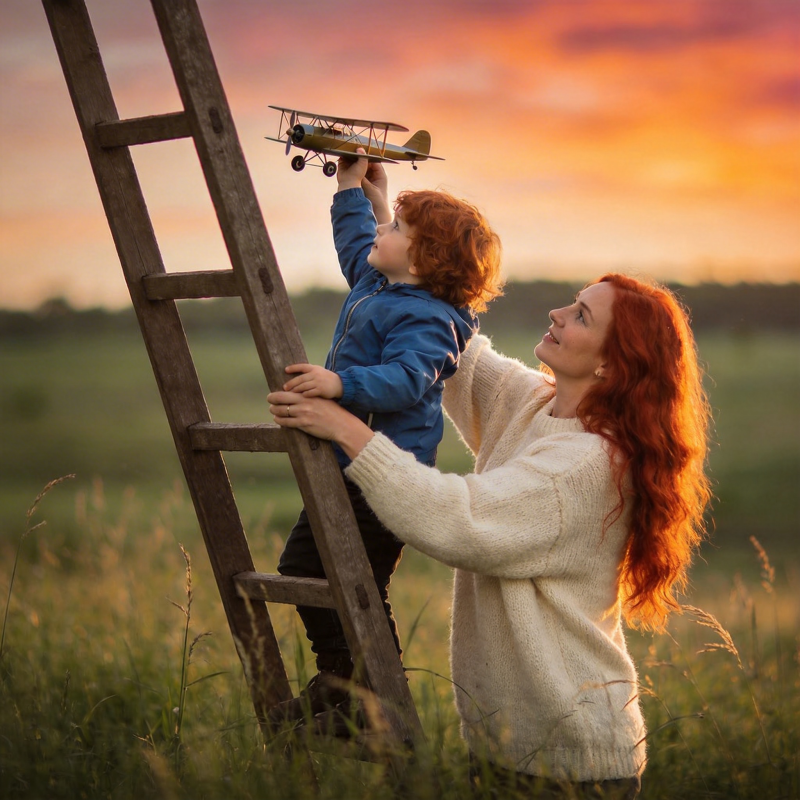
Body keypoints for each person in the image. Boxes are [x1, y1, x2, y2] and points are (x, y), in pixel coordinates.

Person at [268, 272, 712, 797]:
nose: (558, 314)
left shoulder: (588, 465)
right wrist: (399, 238)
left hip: (569, 762)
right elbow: (454, 349)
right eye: (572, 303)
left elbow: (458, 520)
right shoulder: (536, 404)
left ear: (610, 364)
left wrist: (344, 426)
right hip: (507, 746)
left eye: (581, 316)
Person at [269, 150, 503, 727]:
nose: (384, 231)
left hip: (383, 475)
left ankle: (371, 700)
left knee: (356, 586)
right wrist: (353, 191)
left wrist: (339, 382)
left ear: (422, 262)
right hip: (346, 466)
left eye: (398, 228)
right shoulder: (380, 282)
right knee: (308, 572)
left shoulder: (428, 320)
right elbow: (358, 245)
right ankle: (344, 686)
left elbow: (403, 381)